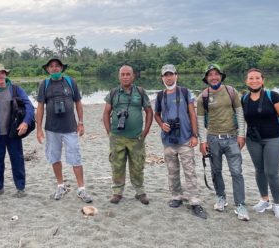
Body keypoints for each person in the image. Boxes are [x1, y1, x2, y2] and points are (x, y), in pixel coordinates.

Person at [241, 68, 279, 221]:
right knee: (259, 170)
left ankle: (277, 204)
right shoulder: (244, 98)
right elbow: (244, 120)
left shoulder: (273, 96)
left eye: (257, 78)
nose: (254, 80)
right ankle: (264, 200)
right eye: (251, 78)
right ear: (246, 81)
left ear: (263, 80)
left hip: (274, 139)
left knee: (272, 173)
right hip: (254, 140)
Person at [196, 64, 249, 221]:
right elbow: (200, 121)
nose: (213, 77)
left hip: (232, 138)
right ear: (206, 78)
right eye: (210, 75)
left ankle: (240, 204)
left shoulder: (231, 92)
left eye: (216, 74)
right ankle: (220, 197)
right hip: (212, 139)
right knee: (216, 171)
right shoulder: (202, 97)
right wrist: (202, 141)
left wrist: (241, 135)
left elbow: (240, 113)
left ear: (221, 76)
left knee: (236, 172)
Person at [36, 58, 92, 203]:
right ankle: (60, 186)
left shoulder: (70, 82)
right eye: (51, 66)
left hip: (70, 128)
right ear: (48, 69)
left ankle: (81, 189)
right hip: (51, 129)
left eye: (57, 66)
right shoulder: (44, 84)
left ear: (62, 68)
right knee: (54, 157)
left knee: (75, 157)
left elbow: (78, 102)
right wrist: (39, 129)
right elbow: (40, 106)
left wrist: (81, 123)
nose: (54, 69)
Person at [154, 64, 207, 219]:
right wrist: (161, 124)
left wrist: (195, 135)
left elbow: (192, 114)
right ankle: (176, 196)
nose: (169, 77)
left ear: (176, 75)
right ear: (162, 77)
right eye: (166, 75)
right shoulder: (160, 95)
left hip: (185, 139)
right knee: (172, 171)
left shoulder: (185, 92)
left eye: (171, 74)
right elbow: (157, 114)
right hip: (168, 140)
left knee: (190, 171)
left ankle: (195, 201)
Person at [103, 65, 153, 205]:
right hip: (117, 137)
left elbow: (149, 111)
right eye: (123, 74)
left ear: (133, 76)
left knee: (137, 165)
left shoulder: (140, 92)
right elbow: (106, 112)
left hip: (136, 137)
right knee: (117, 165)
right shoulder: (113, 93)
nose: (125, 77)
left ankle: (140, 192)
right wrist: (109, 132)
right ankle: (117, 192)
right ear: (119, 77)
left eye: (128, 74)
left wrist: (145, 131)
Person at [0, 63, 34, 198]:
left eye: (2, 73)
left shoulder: (16, 89)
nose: (0, 75)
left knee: (17, 159)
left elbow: (29, 106)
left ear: (5, 74)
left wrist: (25, 122)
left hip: (14, 131)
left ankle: (21, 188)